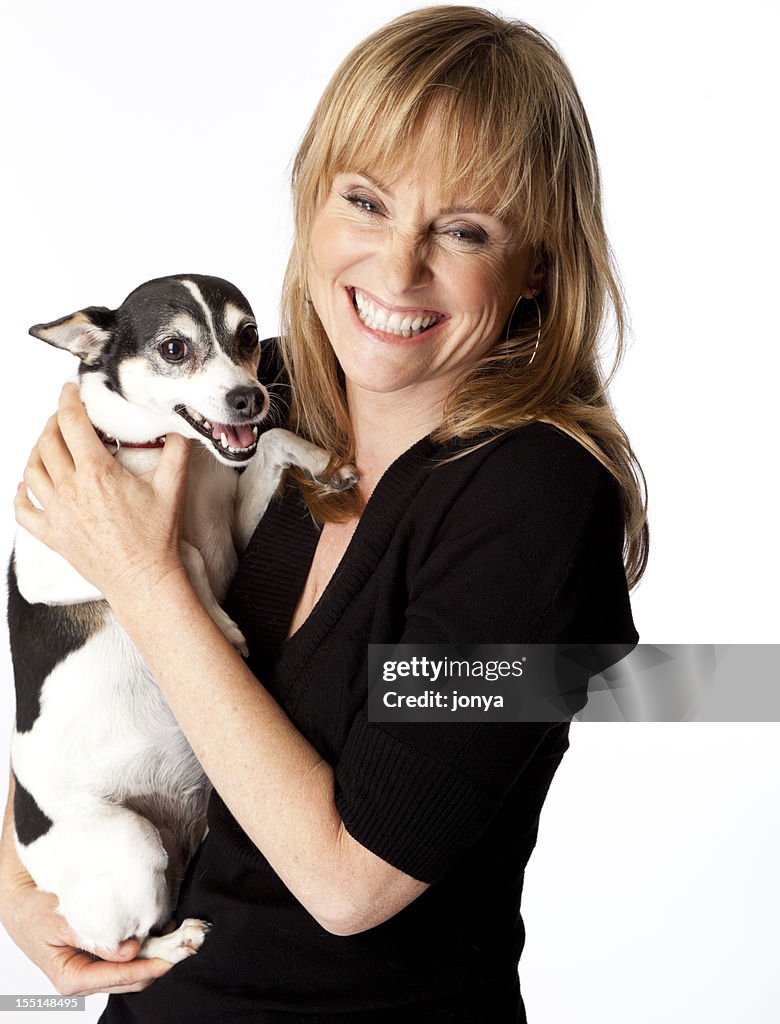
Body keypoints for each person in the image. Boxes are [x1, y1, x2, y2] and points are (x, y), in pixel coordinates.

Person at [0, 6, 647, 1022]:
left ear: (538, 269)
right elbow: (73, 662)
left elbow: (354, 882)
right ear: (311, 201)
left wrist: (145, 573)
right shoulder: (271, 401)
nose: (397, 271)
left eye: (464, 230)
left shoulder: (538, 505)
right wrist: (16, 871)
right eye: (367, 201)